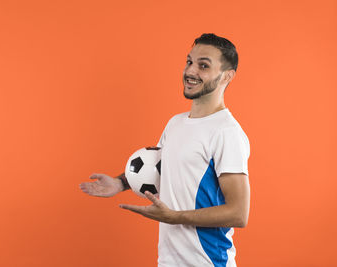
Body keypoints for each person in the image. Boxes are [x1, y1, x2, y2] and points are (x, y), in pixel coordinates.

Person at [79, 33, 250, 267]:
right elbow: (161, 169)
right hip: (169, 261)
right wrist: (121, 183)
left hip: (208, 262)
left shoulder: (226, 132)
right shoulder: (176, 123)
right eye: (189, 62)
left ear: (227, 76)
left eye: (203, 66)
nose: (190, 72)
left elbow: (238, 213)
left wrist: (174, 218)